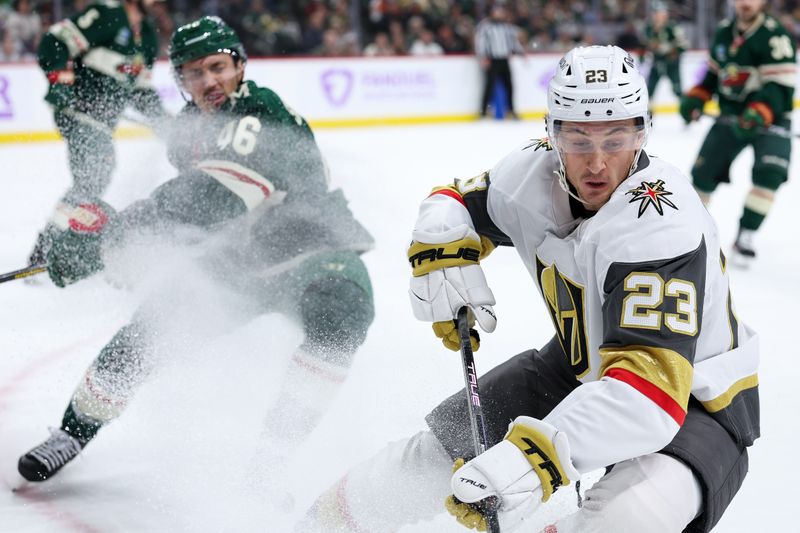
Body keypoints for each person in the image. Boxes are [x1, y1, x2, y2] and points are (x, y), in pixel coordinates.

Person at [298, 45, 758, 533]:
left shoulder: (661, 226)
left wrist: (533, 458)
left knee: (627, 520)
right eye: (579, 139)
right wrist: (442, 242)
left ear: (642, 132)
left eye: (616, 137)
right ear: (552, 133)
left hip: (696, 399)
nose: (597, 163)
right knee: (430, 458)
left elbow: (649, 395)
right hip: (579, 364)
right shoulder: (531, 173)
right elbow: (456, 201)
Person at [17, 16, 375, 486]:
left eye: (218, 66)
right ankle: (72, 433)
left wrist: (120, 232)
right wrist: (126, 253)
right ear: (180, 81)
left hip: (312, 251)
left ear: (239, 65)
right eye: (194, 73)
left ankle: (268, 466)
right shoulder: (190, 130)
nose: (210, 81)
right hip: (241, 260)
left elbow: (217, 194)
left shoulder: (259, 109)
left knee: (341, 309)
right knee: (151, 328)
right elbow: (199, 219)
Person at [27, 0, 167, 267]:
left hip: (102, 122)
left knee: (95, 177)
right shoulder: (108, 14)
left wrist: (162, 120)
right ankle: (47, 248)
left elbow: (140, 89)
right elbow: (54, 42)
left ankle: (52, 245)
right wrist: (60, 79)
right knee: (94, 174)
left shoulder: (147, 34)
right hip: (78, 111)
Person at [679, 0, 795, 264]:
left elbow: (781, 85)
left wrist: (760, 111)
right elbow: (713, 76)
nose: (745, 3)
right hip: (731, 118)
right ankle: (685, 233)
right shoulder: (723, 32)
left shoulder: (774, 35)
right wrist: (698, 96)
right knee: (702, 174)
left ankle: (746, 234)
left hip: (770, 120)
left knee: (770, 172)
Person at [475, 4, 524, 119]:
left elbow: (513, 42)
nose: (499, 14)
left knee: (509, 85)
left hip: (504, 59)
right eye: (497, 11)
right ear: (491, 13)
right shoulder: (485, 26)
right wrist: (483, 57)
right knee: (489, 86)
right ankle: (484, 111)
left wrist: (521, 52)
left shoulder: (506, 26)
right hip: (492, 59)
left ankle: (510, 110)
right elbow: (480, 43)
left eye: (501, 12)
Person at [643, 3, 688, 102]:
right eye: (657, 14)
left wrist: (672, 50)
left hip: (671, 64)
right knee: (649, 89)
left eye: (662, 14)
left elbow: (684, 45)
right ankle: (645, 110)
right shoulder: (649, 28)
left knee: (677, 89)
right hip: (657, 63)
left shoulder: (672, 27)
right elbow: (646, 44)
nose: (659, 17)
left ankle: (685, 109)